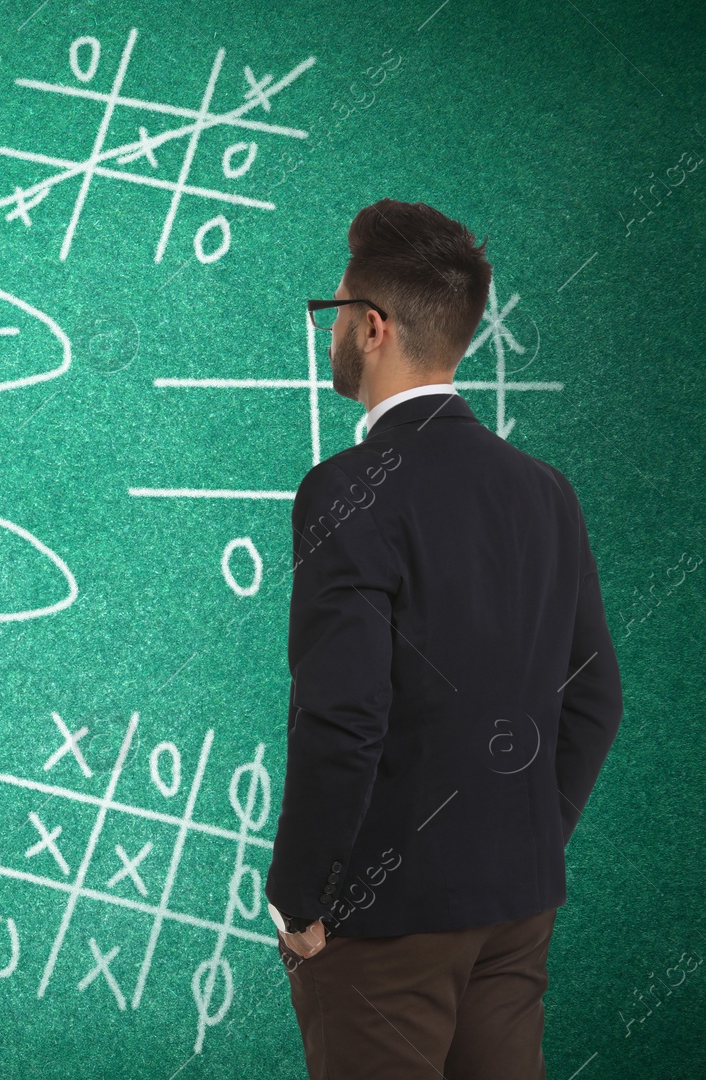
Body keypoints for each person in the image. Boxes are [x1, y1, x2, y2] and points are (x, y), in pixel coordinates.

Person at [264, 199, 623, 1079]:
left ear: (373, 326)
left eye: (334, 311)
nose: (331, 332)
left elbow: (345, 713)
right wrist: (529, 836)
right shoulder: (546, 492)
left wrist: (299, 893)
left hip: (387, 929)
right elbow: (597, 698)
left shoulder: (347, 490)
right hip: (515, 907)